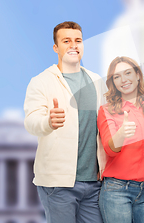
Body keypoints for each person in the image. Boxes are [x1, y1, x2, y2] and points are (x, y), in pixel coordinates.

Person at [24, 21, 107, 223]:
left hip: (93, 182)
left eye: (78, 40)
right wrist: (48, 122)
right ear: (56, 47)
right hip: (58, 184)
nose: (73, 45)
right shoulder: (41, 81)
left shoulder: (97, 81)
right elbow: (31, 121)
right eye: (66, 41)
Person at [97, 56, 144, 223]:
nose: (123, 80)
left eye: (128, 73)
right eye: (117, 77)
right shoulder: (107, 110)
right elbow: (109, 149)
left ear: (138, 75)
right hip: (117, 191)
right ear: (113, 83)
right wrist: (121, 134)